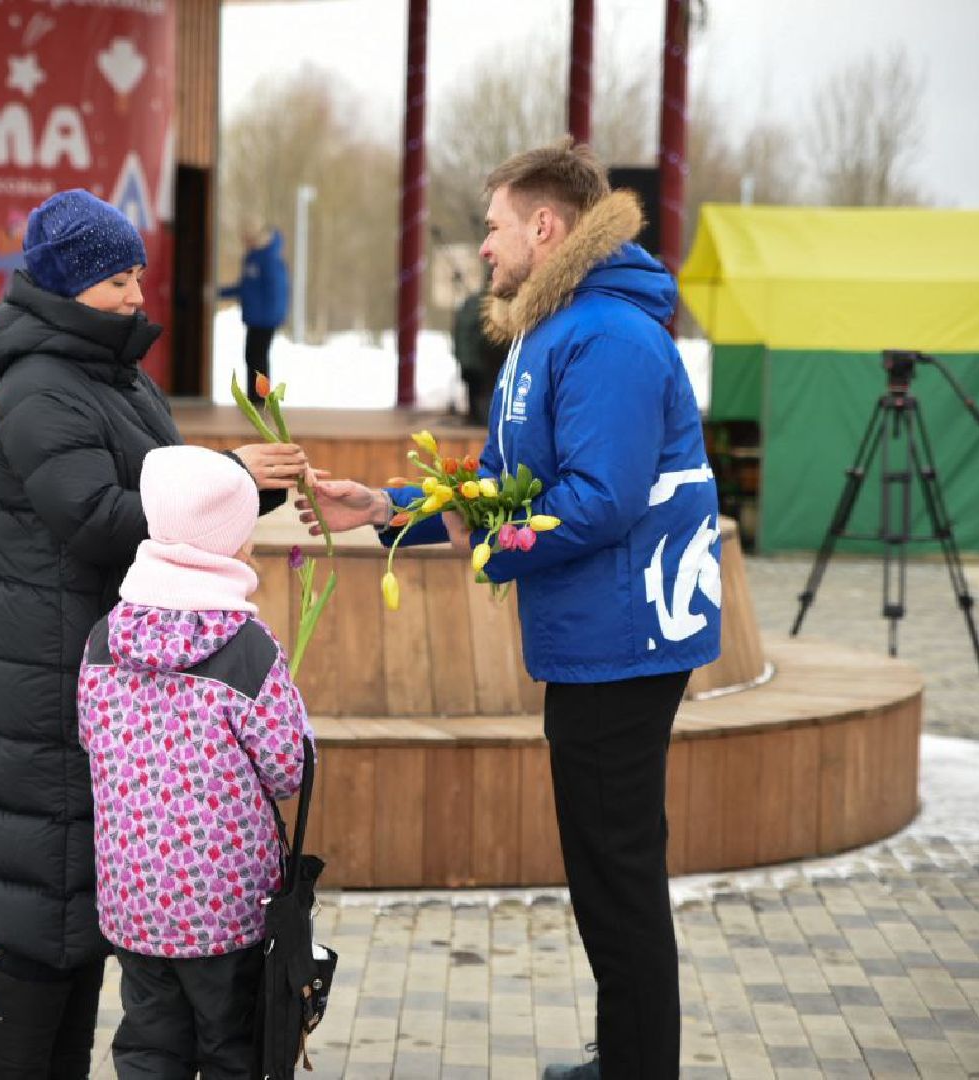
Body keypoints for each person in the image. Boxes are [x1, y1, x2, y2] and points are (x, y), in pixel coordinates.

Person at [301, 139, 720, 1080]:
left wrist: (492, 543)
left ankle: (637, 1067)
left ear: (545, 226)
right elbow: (501, 482)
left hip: (625, 638)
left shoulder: (605, 335)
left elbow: (598, 498)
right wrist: (387, 511)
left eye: (493, 228)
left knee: (617, 877)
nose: (483, 248)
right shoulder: (552, 325)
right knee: (605, 871)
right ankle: (627, 1055)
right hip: (591, 637)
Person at [0, 189, 308, 1079]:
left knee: (88, 924)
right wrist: (234, 477)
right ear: (66, 284)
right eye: (116, 279)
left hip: (112, 673)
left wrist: (245, 490)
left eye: (136, 276)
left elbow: (162, 504)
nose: (135, 295)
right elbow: (99, 518)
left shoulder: (110, 374)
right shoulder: (41, 387)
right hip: (55, 676)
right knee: (45, 924)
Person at [78, 444, 313, 1079]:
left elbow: (91, 741)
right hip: (226, 909)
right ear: (232, 544)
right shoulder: (247, 649)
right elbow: (290, 771)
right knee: (233, 1048)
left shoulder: (104, 638)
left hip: (134, 900)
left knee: (149, 1048)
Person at [218, 222, 289, 404]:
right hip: (256, 317)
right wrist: (220, 293)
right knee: (253, 357)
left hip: (264, 319)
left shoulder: (268, 259)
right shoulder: (255, 258)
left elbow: (276, 290)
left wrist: (275, 315)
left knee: (257, 358)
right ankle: (255, 397)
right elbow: (246, 288)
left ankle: (260, 399)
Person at [451, 270, 507, 427]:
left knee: (482, 400)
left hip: (481, 362)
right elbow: (464, 334)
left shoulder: (474, 303)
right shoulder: (480, 304)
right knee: (483, 401)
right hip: (481, 363)